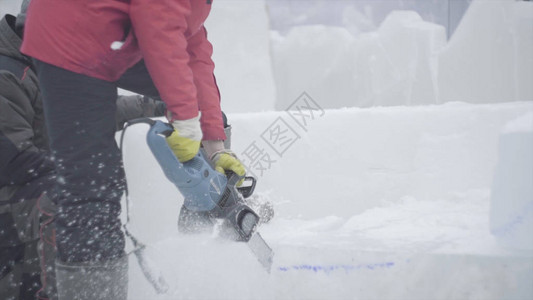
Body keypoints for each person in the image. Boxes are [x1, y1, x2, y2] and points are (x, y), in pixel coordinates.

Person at [20, 0, 246, 299]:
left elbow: (192, 47)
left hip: (120, 32)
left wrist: (215, 146)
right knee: (92, 186)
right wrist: (186, 118)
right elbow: (158, 18)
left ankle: (210, 201)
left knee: (197, 103)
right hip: (72, 33)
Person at [0, 7, 166, 299]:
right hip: (13, 197)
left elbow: (85, 114)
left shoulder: (46, 64)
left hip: (33, 187)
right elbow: (13, 160)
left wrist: (151, 105)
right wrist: (77, 165)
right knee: (75, 196)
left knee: (90, 188)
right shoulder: (7, 75)